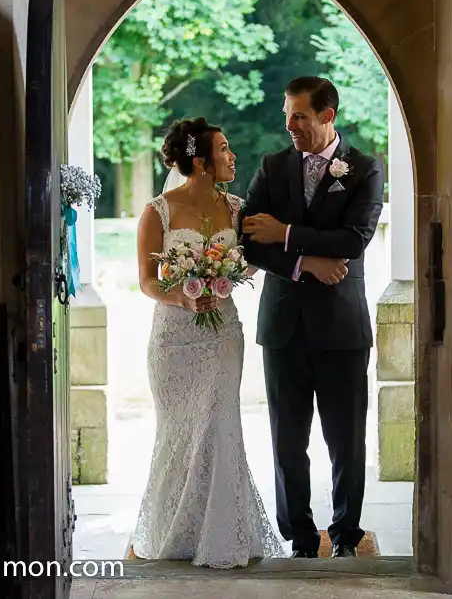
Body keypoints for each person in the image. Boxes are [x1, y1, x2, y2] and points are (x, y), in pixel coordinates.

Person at [129, 116, 284, 568]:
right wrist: (180, 293)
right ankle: (177, 533)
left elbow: (257, 260)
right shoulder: (157, 211)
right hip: (172, 341)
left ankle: (223, 533)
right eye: (224, 149)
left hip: (222, 336)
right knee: (179, 433)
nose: (232, 156)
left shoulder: (237, 208)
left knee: (219, 425)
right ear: (199, 162)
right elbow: (145, 281)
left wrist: (226, 278)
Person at [242, 76, 384, 558]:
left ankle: (345, 535)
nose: (290, 126)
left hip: (343, 328)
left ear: (327, 115)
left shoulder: (364, 168)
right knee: (287, 441)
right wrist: (304, 261)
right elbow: (246, 240)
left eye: (299, 116)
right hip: (283, 326)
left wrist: (285, 233)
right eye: (287, 115)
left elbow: (355, 240)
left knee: (345, 440)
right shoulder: (272, 165)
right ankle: (300, 537)